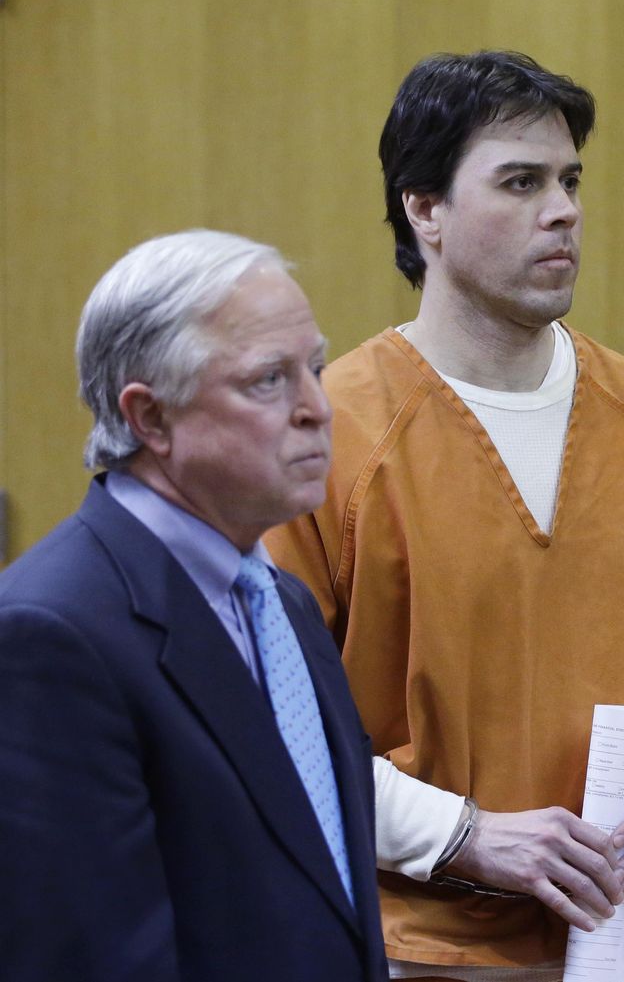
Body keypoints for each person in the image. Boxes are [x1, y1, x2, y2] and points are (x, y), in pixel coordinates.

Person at [266, 51, 624, 982]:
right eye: (521, 182)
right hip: (413, 951)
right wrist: (464, 836)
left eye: (569, 180)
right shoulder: (327, 438)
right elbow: (275, 725)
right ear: (425, 209)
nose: (564, 209)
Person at [0, 229, 389, 982]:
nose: (318, 407)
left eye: (313, 368)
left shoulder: (285, 604)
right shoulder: (47, 634)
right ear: (150, 417)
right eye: (268, 381)